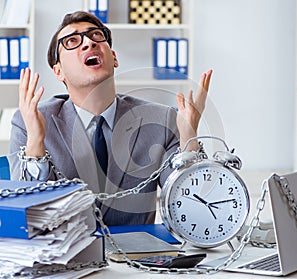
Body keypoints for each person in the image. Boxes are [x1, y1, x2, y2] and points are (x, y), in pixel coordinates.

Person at [8, 11, 212, 226]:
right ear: (58, 71)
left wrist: (189, 138)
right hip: (63, 255)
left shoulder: (162, 120)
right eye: (72, 41)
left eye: (96, 36)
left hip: (139, 254)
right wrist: (35, 145)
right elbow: (26, 217)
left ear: (113, 58)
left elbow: (192, 207)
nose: (88, 43)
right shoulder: (29, 121)